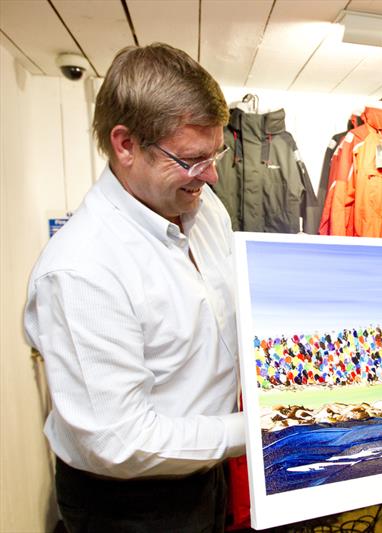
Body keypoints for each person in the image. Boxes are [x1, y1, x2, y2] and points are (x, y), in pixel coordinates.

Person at [23, 43, 244, 532]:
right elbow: (121, 440)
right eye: (191, 159)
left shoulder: (205, 211)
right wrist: (261, 428)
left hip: (207, 467)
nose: (209, 177)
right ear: (124, 145)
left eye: (216, 155)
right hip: (130, 502)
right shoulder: (82, 270)